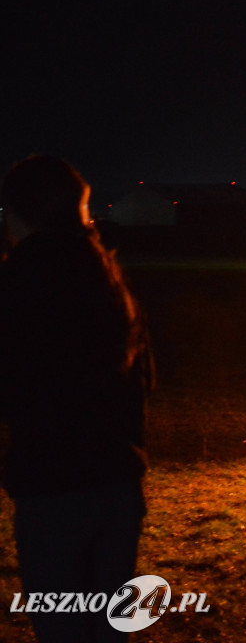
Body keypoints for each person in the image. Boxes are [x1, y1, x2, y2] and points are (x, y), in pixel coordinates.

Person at [0, 156, 152, 642]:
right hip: (117, 485)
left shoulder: (17, 281)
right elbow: (142, 379)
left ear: (17, 213)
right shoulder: (106, 278)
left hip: (53, 489)